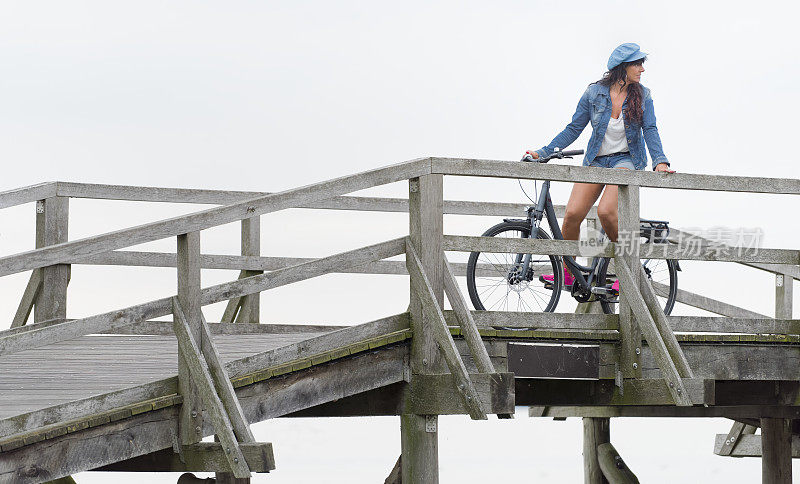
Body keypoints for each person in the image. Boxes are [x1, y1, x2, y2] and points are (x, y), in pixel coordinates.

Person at [530, 43, 675, 291]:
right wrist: (544, 152)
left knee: (607, 213)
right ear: (622, 67)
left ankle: (631, 269)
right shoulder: (593, 93)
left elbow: (650, 129)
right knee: (573, 214)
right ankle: (568, 273)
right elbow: (574, 128)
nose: (642, 69)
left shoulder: (644, 95)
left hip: (626, 161)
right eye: (637, 64)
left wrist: (659, 161)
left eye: (642, 64)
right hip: (596, 160)